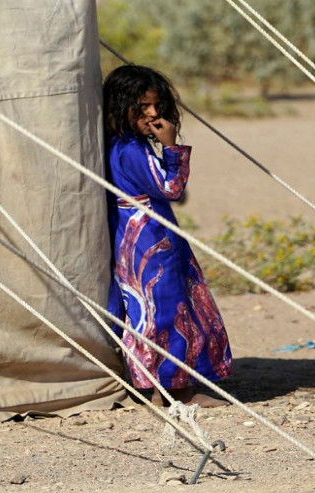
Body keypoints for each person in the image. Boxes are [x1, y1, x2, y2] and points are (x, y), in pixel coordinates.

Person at [103, 65, 232, 408]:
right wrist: (171, 147)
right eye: (141, 106)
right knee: (167, 310)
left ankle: (165, 387)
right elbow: (170, 188)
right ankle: (174, 390)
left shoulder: (113, 144)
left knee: (148, 311)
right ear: (121, 106)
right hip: (151, 238)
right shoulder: (132, 149)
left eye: (155, 105)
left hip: (129, 233)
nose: (151, 113)